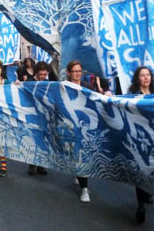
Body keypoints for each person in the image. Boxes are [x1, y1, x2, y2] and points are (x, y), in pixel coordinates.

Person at [127, 66, 154, 223]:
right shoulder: (133, 97)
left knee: (152, 169)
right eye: (142, 75)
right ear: (137, 79)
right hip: (139, 138)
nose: (146, 78)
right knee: (141, 169)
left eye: (148, 75)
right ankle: (141, 205)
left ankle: (148, 192)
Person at [66, 60, 95, 203]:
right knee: (75, 155)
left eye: (79, 71)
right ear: (68, 73)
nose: (77, 74)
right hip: (70, 125)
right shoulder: (64, 87)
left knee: (83, 155)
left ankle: (84, 188)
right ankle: (80, 178)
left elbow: (97, 101)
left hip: (86, 127)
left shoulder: (88, 87)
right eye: (75, 71)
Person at [26, 61, 51, 176]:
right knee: (33, 139)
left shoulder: (47, 83)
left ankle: (41, 164)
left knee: (43, 140)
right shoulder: (30, 82)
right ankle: (32, 164)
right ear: (36, 73)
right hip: (32, 113)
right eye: (41, 74)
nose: (42, 77)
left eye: (44, 74)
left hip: (44, 115)